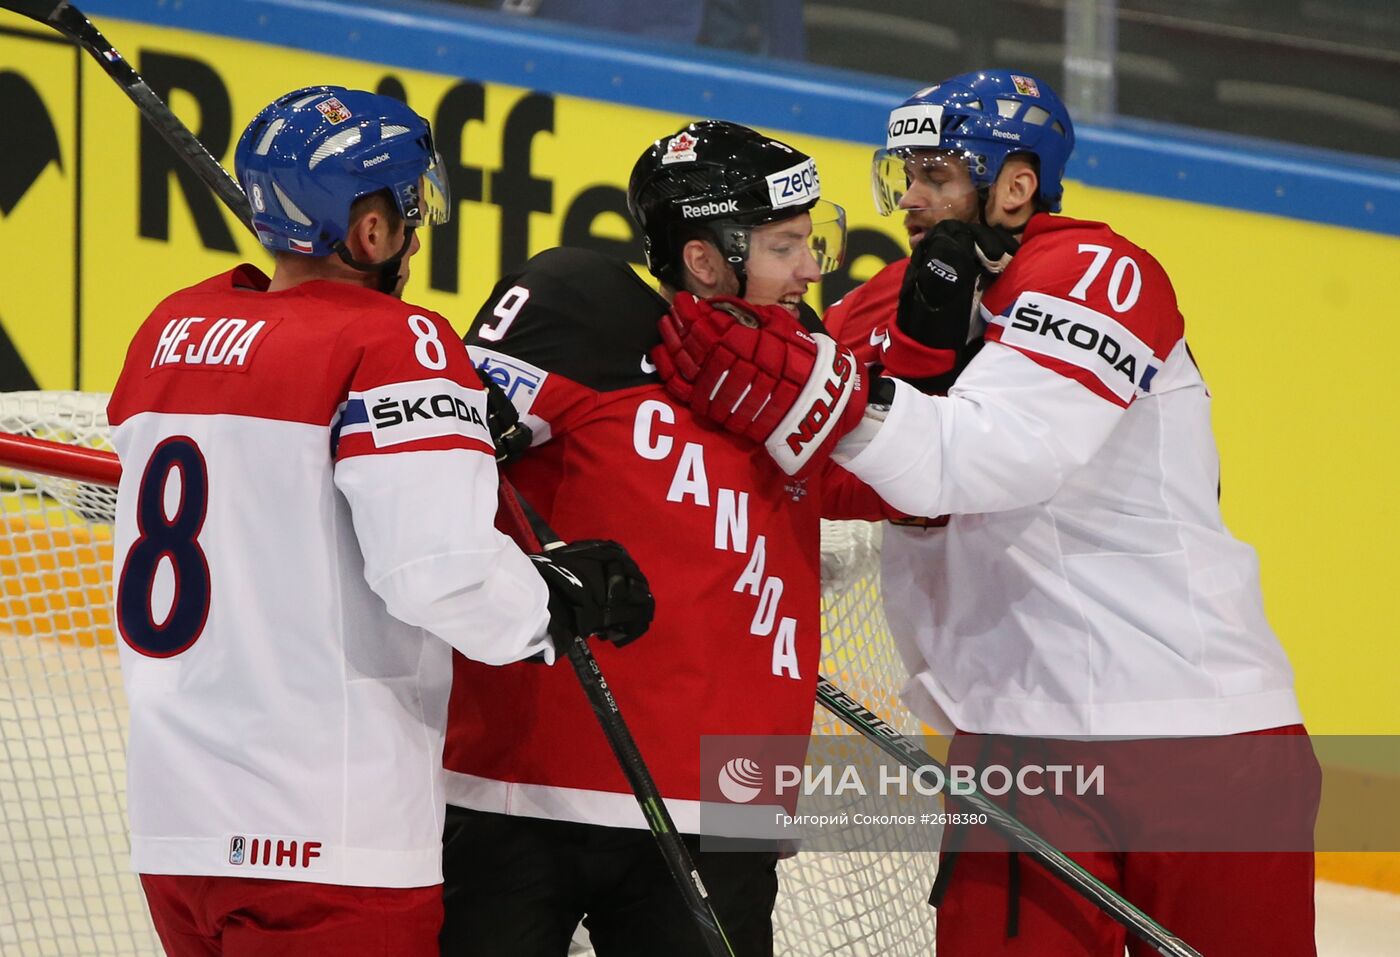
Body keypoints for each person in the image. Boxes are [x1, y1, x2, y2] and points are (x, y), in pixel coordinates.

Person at [651, 71, 1320, 956]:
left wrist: (822, 398)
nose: (913, 199)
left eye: (936, 174)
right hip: (1011, 744)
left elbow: (984, 457)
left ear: (1014, 183)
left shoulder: (1097, 272)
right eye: (905, 175)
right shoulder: (891, 302)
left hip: (1196, 732)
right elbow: (827, 463)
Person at [107, 85, 651, 957]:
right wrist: (554, 601)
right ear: (369, 231)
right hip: (328, 832)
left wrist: (455, 423)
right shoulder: (398, 341)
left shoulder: (168, 330)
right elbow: (440, 570)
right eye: (408, 209)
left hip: (177, 822)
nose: (413, 229)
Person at [439, 120, 894, 957]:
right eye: (785, 245)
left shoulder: (805, 365)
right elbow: (437, 473)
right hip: (521, 788)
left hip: (729, 805)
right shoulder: (581, 307)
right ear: (705, 256)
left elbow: (915, 491)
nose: (810, 268)